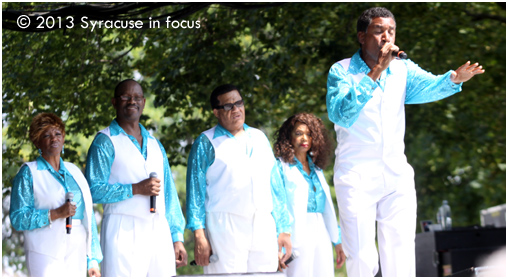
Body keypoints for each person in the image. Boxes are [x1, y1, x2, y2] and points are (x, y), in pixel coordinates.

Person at [326, 7, 485, 277]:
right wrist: (376, 72)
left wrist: (454, 79)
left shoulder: (402, 69)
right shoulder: (341, 71)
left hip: (395, 174)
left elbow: (430, 86)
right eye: (379, 31)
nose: (386, 37)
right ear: (362, 37)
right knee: (362, 260)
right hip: (356, 176)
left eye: (391, 31)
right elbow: (340, 113)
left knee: (400, 258)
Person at [186, 84, 292, 274]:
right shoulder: (206, 142)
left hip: (263, 224)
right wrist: (199, 235)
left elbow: (275, 186)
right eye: (228, 106)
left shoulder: (259, 137)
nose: (236, 109)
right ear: (216, 112)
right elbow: (195, 193)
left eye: (239, 103)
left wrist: (283, 228)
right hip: (224, 226)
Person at [85, 79, 187, 277]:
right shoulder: (105, 141)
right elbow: (93, 190)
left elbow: (169, 193)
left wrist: (177, 237)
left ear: (144, 102)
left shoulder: (156, 144)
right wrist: (135, 189)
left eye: (137, 97)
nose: (132, 101)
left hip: (158, 230)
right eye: (126, 97)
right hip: (122, 228)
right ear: (114, 102)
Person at [9, 112, 102, 277]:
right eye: (46, 135)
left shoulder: (75, 171)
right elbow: (18, 218)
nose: (54, 139)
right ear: (37, 142)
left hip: (77, 250)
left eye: (58, 134)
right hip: (44, 251)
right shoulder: (29, 172)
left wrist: (92, 260)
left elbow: (89, 217)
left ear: (63, 137)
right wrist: (56, 213)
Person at [272, 112, 346, 277]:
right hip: (295, 230)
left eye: (309, 134)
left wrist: (338, 240)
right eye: (298, 133)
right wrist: (281, 234)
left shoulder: (317, 169)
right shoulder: (280, 167)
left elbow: (328, 208)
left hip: (321, 229)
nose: (304, 138)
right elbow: (277, 203)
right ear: (288, 137)